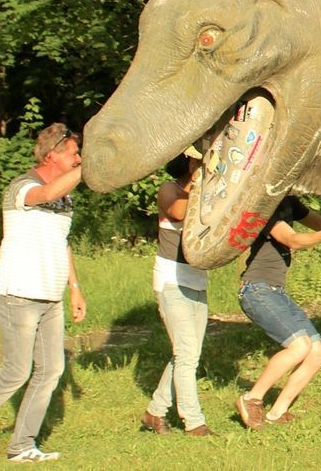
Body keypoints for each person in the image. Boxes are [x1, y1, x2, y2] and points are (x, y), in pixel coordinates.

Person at [0, 124, 86, 464]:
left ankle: (22, 446)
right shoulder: (23, 187)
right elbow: (46, 194)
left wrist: (74, 288)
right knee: (16, 371)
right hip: (19, 295)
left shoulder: (65, 198)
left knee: (51, 370)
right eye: (73, 154)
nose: (78, 159)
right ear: (51, 155)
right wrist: (88, 168)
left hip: (50, 296)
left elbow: (61, 243)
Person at [235, 196, 321, 429]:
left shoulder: (290, 201)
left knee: (317, 353)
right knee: (299, 346)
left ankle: (277, 413)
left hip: (276, 291)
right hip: (257, 289)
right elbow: (292, 240)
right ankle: (251, 398)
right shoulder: (266, 205)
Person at [141, 153, 212, 437]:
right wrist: (196, 182)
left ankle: (154, 413)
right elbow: (179, 213)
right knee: (186, 355)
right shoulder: (169, 189)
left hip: (197, 281)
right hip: (171, 280)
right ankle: (194, 422)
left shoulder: (204, 192)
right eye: (198, 162)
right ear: (187, 163)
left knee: (187, 354)